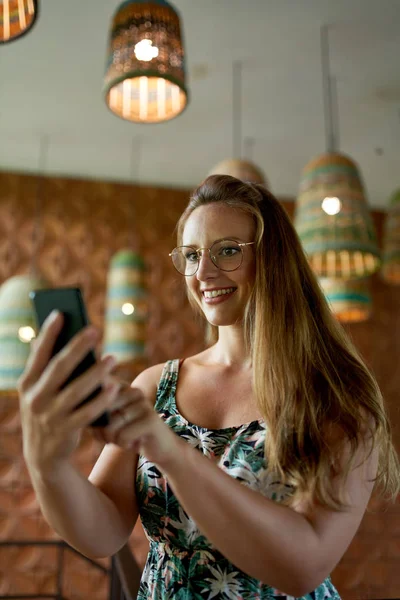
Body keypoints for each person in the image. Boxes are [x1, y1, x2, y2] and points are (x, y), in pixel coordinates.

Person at [18, 175, 399, 600]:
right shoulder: (156, 386)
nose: (203, 272)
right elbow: (102, 534)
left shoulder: (335, 393)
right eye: (192, 254)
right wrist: (45, 463)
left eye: (228, 251)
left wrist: (171, 453)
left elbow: (303, 566)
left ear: (274, 260)